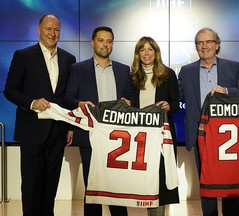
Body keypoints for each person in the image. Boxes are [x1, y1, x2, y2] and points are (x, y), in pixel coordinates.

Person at [4, 14, 76, 216]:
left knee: (50, 185)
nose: (53, 34)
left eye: (56, 30)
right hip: (31, 132)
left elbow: (68, 97)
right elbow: (10, 90)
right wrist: (32, 102)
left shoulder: (69, 59)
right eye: (48, 29)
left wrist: (70, 126)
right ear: (39, 30)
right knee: (31, 185)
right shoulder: (23, 56)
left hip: (58, 132)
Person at [178, 27, 239, 216]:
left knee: (231, 181)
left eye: (209, 42)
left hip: (228, 135)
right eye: (200, 43)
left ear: (217, 45)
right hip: (200, 134)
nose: (204, 46)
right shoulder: (186, 71)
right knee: (206, 182)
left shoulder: (233, 66)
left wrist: (226, 91)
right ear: (196, 47)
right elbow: (175, 96)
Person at [63, 26, 132, 216]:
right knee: (92, 188)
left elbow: (132, 100)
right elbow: (68, 98)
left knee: (117, 189)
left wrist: (129, 103)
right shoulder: (78, 69)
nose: (105, 44)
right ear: (93, 42)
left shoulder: (124, 70)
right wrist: (80, 103)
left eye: (109, 41)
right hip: (89, 136)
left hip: (117, 139)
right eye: (101, 40)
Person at [131, 36, 180, 216]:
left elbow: (176, 102)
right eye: (142, 50)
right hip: (141, 136)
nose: (146, 53)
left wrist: (170, 106)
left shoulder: (168, 74)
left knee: (161, 177)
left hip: (163, 134)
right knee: (146, 178)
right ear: (138, 54)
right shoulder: (133, 77)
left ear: (156, 52)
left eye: (150, 49)